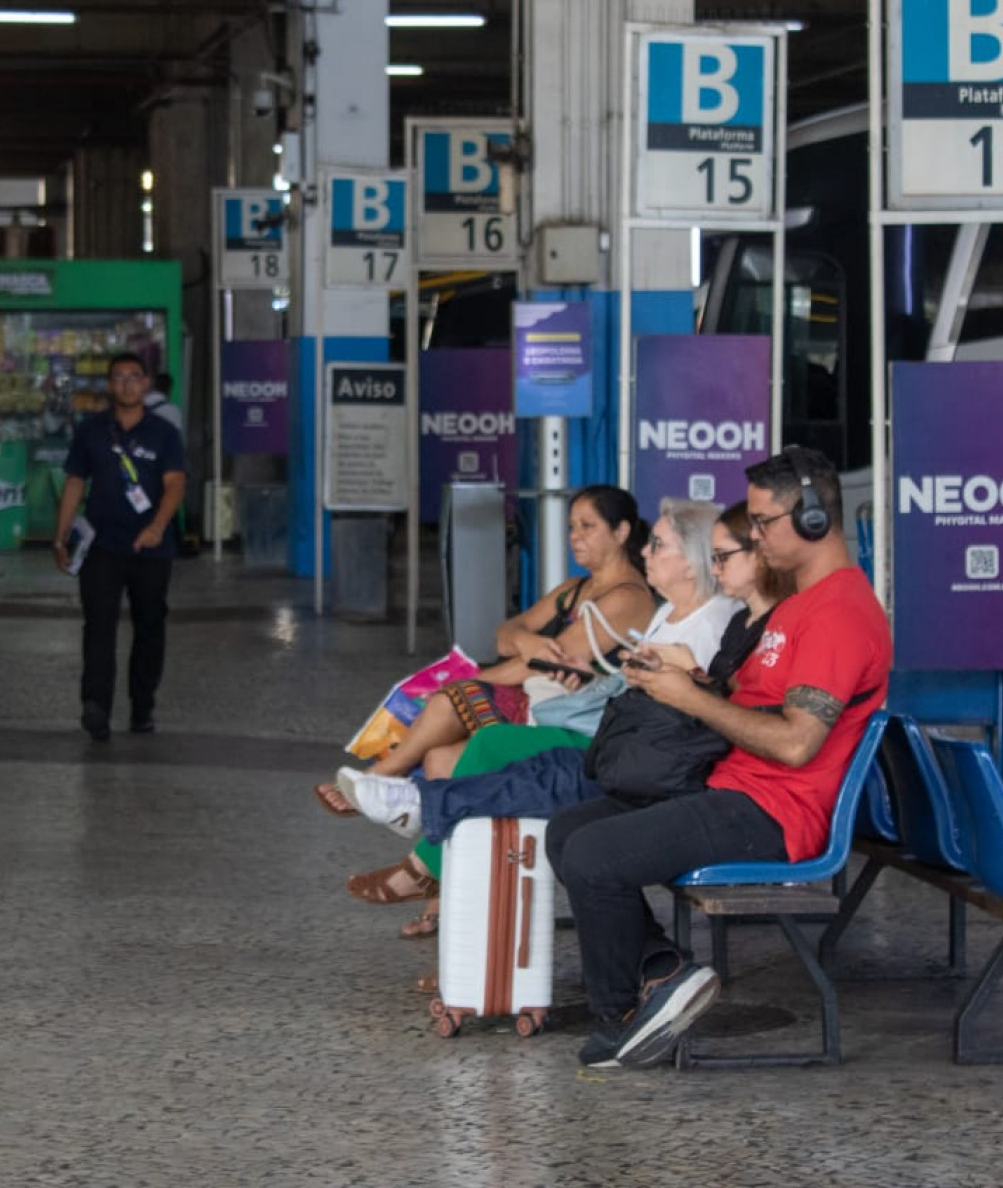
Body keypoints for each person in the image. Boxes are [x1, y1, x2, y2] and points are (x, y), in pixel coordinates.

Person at [550, 446, 891, 1069]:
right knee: (571, 828)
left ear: (813, 520)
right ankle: (665, 969)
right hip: (735, 784)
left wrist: (692, 699)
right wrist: (695, 678)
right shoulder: (796, 604)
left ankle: (621, 1021)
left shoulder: (839, 614)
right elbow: (753, 703)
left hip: (774, 812)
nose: (753, 536)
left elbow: (795, 742)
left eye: (762, 524)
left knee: (594, 856)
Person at [340, 501, 781, 939]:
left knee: (489, 748)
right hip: (618, 736)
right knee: (467, 752)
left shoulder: (704, 622)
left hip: (635, 754)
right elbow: (509, 633)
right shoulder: (664, 611)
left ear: (691, 562)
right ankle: (451, 906)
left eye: (658, 545)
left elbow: (686, 714)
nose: (645, 553)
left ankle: (430, 857)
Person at [314, 486, 656, 813]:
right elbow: (504, 634)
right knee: (439, 760)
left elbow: (538, 665)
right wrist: (526, 640)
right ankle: (433, 854)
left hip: (572, 717)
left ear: (621, 531)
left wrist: (470, 681)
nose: (574, 536)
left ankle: (382, 777)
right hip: (537, 700)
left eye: (587, 526)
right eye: (571, 527)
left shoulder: (626, 597)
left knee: (450, 700)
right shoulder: (573, 589)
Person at [53, 352, 186, 740]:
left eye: (134, 377)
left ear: (146, 384)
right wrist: (61, 537)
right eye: (119, 377)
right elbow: (75, 483)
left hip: (151, 548)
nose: (126, 384)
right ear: (110, 385)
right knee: (98, 625)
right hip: (102, 545)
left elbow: (176, 483)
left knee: (149, 626)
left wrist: (158, 527)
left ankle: (142, 706)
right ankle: (95, 706)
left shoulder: (164, 433)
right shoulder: (91, 431)